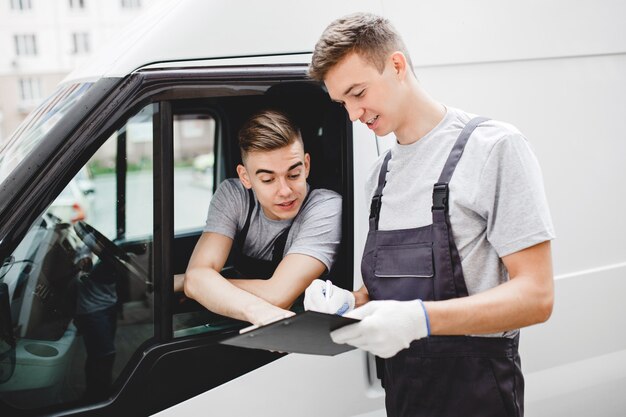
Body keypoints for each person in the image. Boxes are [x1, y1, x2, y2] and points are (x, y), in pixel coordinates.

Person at [304, 12, 555, 417]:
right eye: (342, 103)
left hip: (478, 395)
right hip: (403, 397)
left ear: (397, 66)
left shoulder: (493, 148)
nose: (352, 114)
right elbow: (388, 296)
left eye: (358, 93)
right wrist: (347, 303)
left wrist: (419, 319)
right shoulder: (379, 178)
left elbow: (537, 296)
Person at [180, 109, 342, 326]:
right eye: (268, 179)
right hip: (241, 325)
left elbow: (278, 295)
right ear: (245, 177)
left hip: (296, 335)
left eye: (294, 175)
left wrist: (204, 285)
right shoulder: (234, 195)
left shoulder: (326, 206)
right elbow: (197, 277)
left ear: (306, 165)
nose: (285, 191)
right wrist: (198, 282)